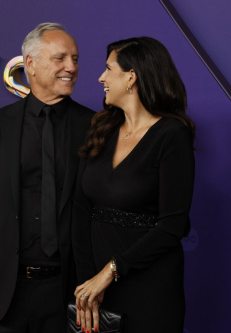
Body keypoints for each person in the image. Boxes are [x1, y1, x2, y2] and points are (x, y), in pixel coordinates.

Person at [0, 23, 95, 333]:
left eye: (75, 59)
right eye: (60, 58)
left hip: (68, 292)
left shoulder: (94, 127)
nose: (71, 67)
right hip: (4, 289)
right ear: (31, 64)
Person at [72, 37, 195, 333]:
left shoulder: (171, 135)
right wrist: (90, 281)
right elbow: (80, 210)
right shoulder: (102, 129)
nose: (100, 77)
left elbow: (172, 225)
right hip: (96, 287)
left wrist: (111, 271)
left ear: (131, 77)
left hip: (150, 288)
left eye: (108, 69)